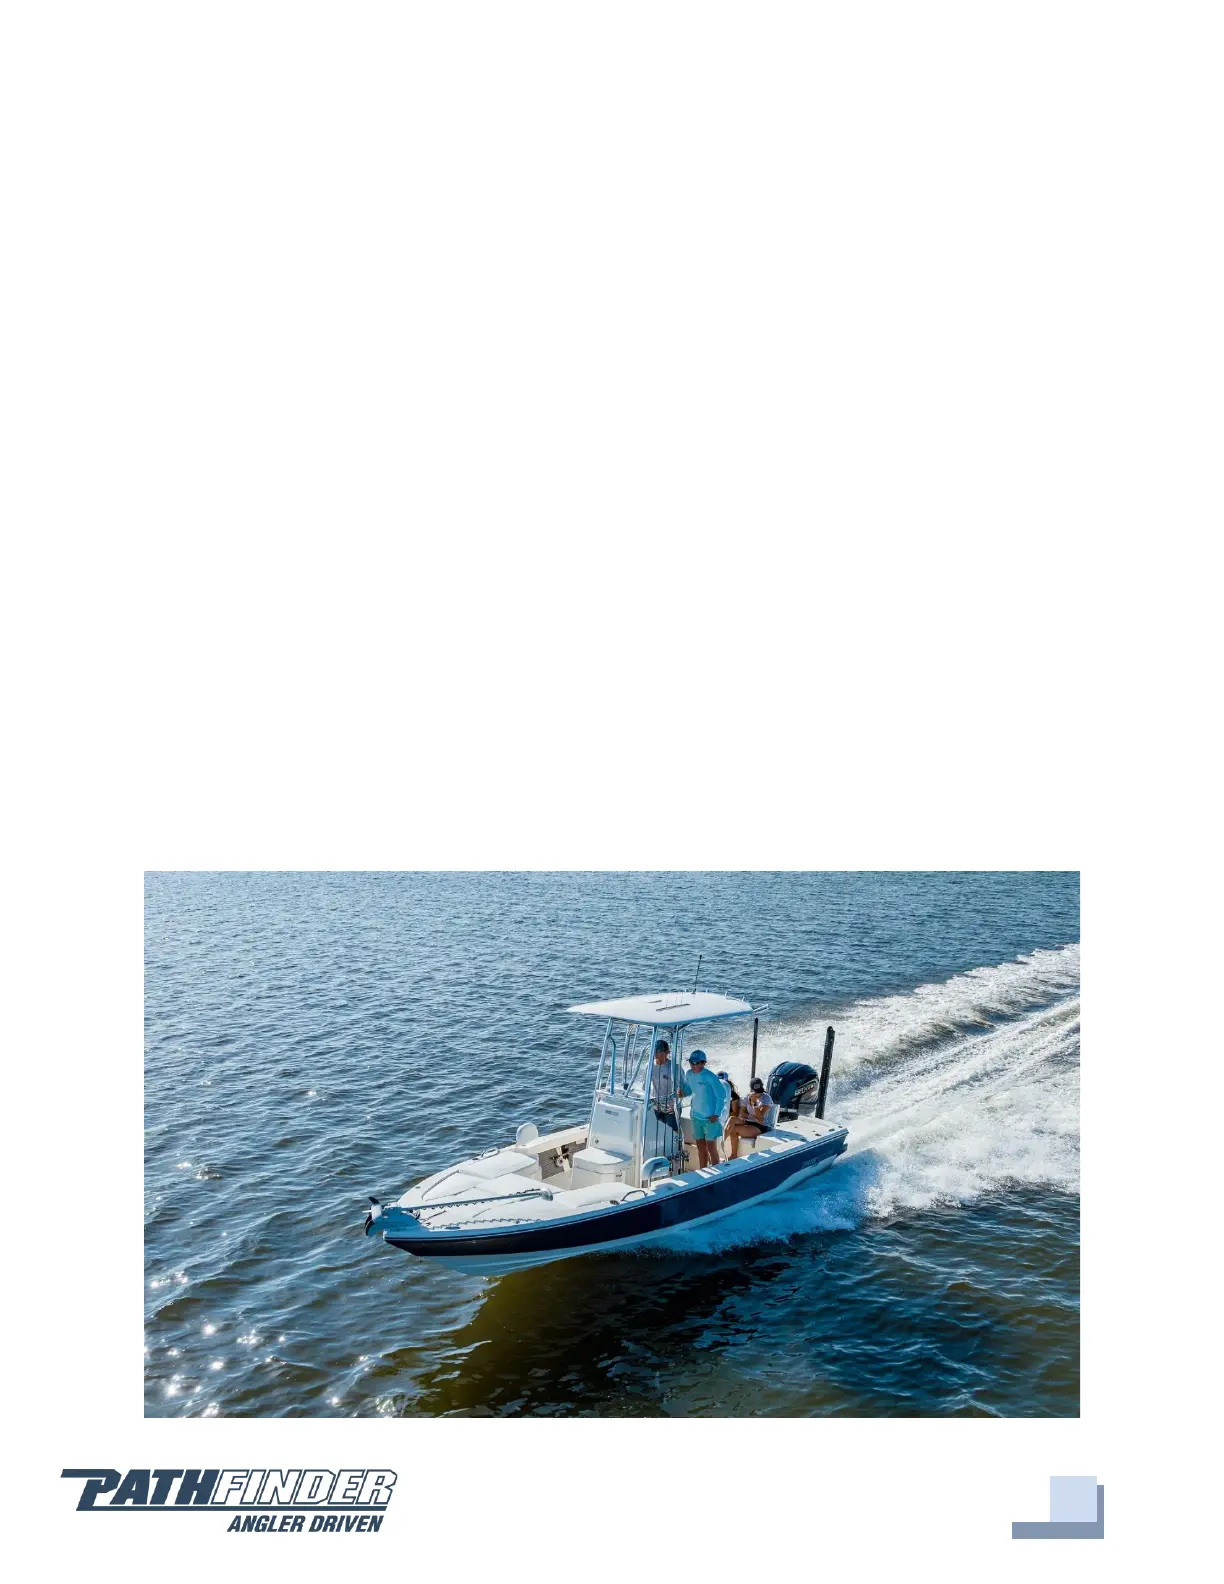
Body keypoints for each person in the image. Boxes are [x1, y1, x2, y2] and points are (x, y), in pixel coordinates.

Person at [678, 1049, 725, 1167]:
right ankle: (703, 1169)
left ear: (703, 1063)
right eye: (691, 1063)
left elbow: (721, 1095)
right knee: (700, 1147)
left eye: (696, 1063)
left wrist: (717, 1114)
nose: (693, 1065)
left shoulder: (710, 1077)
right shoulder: (689, 1074)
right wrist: (683, 1093)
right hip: (696, 1116)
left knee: (711, 1147)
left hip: (710, 1118)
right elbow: (689, 1090)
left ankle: (717, 1172)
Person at [727, 1075, 773, 1158]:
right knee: (732, 1119)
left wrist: (754, 1104)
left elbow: (760, 1117)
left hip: (761, 1126)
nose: (758, 1094)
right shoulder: (747, 1097)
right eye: (756, 1092)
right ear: (751, 1090)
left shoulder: (766, 1098)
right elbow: (741, 1113)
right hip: (750, 1121)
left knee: (733, 1129)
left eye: (759, 1091)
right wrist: (752, 1117)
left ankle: (733, 1155)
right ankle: (722, 1141)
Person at [649, 1039, 679, 1136]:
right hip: (655, 1106)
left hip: (671, 1108)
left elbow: (685, 1088)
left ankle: (677, 1145)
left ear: (666, 1053)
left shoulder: (674, 1067)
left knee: (672, 1133)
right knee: (656, 1133)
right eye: (654, 1050)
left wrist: (680, 1095)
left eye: (658, 1050)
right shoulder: (649, 1066)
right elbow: (645, 1087)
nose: (655, 1052)